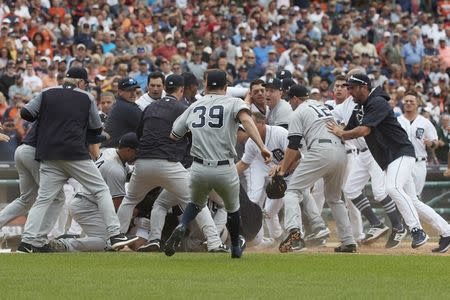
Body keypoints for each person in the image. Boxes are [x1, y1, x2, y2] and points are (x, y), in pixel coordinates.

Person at [18, 67, 137, 252]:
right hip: (74, 153)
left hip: (49, 154)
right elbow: (96, 129)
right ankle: (114, 234)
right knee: (101, 189)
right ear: (81, 82)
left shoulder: (47, 92)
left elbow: (26, 113)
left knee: (43, 199)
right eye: (86, 83)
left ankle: (27, 242)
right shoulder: (86, 97)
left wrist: (52, 117)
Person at [164, 69, 271, 258]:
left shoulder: (194, 106)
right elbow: (246, 120)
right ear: (226, 86)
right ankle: (236, 248)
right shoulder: (234, 102)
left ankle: (182, 226)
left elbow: (174, 135)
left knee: (196, 203)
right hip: (224, 166)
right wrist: (262, 146)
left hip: (198, 167)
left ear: (205, 86)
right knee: (232, 208)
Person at [116, 74, 226, 253]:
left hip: (143, 163)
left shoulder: (150, 107)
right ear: (181, 90)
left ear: (165, 88)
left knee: (130, 200)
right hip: (169, 163)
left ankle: (118, 237)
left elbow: (139, 134)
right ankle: (214, 242)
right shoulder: (184, 108)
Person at [327, 73, 429, 249]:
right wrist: (338, 130)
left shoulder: (375, 102)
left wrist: (341, 133)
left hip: (389, 152)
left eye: (350, 87)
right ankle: (379, 224)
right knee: (351, 189)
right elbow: (347, 127)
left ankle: (405, 227)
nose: (348, 90)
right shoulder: (357, 105)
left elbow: (362, 130)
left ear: (363, 87)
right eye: (346, 86)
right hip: (368, 154)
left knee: (385, 191)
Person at [277, 84, 357, 253]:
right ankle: (349, 241)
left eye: (290, 99)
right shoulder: (323, 106)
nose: (289, 103)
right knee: (335, 198)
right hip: (341, 151)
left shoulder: (298, 112)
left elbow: (293, 145)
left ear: (295, 99)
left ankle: (295, 234)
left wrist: (283, 170)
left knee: (292, 191)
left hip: (320, 151)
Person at [49, 133, 139, 252]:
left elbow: (127, 170)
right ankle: (65, 244)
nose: (137, 155)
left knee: (100, 238)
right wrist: (134, 214)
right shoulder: (115, 170)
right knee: (107, 242)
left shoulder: (111, 151)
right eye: (136, 152)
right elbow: (117, 205)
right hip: (87, 206)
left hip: (84, 200)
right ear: (128, 150)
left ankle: (67, 241)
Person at [397, 90, 450, 253]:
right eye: (406, 101)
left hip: (418, 163)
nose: (408, 103)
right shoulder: (398, 120)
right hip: (400, 162)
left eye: (412, 101)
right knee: (411, 200)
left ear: (418, 103)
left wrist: (431, 143)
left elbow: (437, 142)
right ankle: (437, 231)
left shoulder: (424, 122)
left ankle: (416, 230)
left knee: (412, 201)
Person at [103, 77, 141, 147]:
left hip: (114, 149)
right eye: (129, 90)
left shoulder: (121, 104)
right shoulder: (126, 107)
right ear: (120, 92)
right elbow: (145, 127)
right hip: (115, 151)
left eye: (134, 90)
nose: (133, 94)